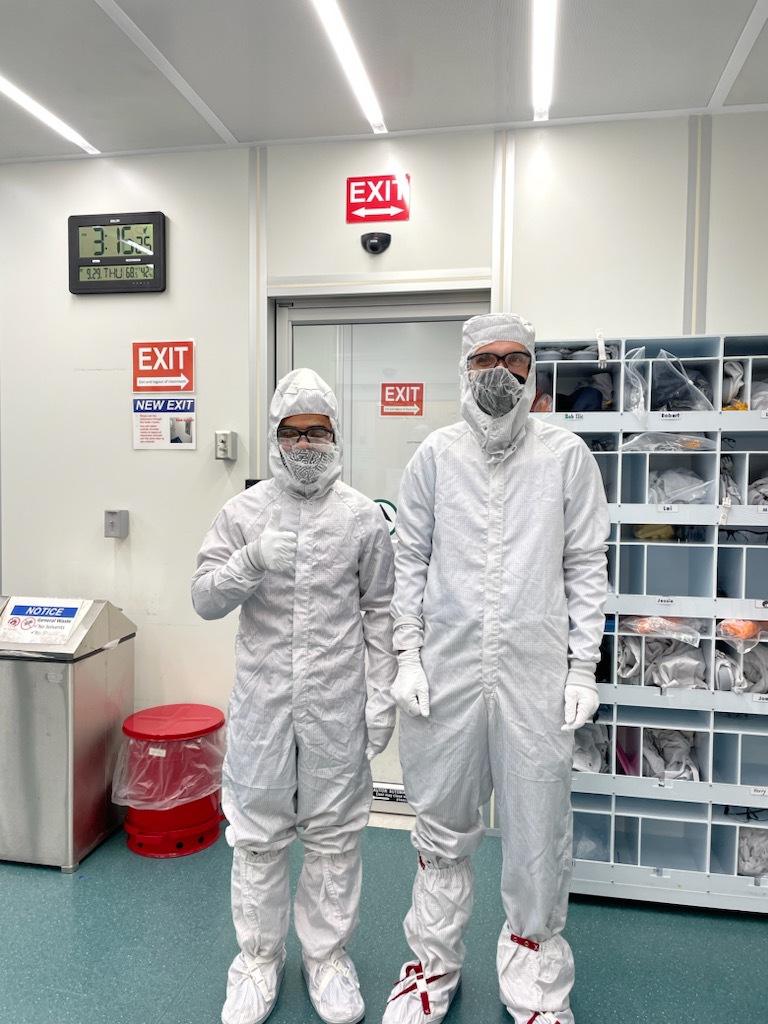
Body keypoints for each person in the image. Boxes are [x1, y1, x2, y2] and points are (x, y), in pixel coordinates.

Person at [382, 314, 609, 1024]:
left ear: (532, 372)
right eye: (487, 358)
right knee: (442, 827)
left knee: (537, 830)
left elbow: (585, 565)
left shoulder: (565, 457)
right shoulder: (434, 457)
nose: (500, 372)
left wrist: (582, 667)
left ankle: (536, 987)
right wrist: (408, 655)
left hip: (535, 675)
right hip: (445, 677)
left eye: (516, 360)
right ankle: (431, 969)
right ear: (464, 366)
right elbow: (409, 562)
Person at [192, 368, 397, 1024]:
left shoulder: (361, 518)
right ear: (275, 437)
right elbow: (203, 599)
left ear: (337, 436)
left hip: (337, 703)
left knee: (335, 837)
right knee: (257, 834)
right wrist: (250, 560)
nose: (307, 443)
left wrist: (382, 692)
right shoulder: (243, 513)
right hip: (263, 705)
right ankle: (256, 959)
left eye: (319, 431)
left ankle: (327, 958)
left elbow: (382, 611)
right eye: (294, 431)